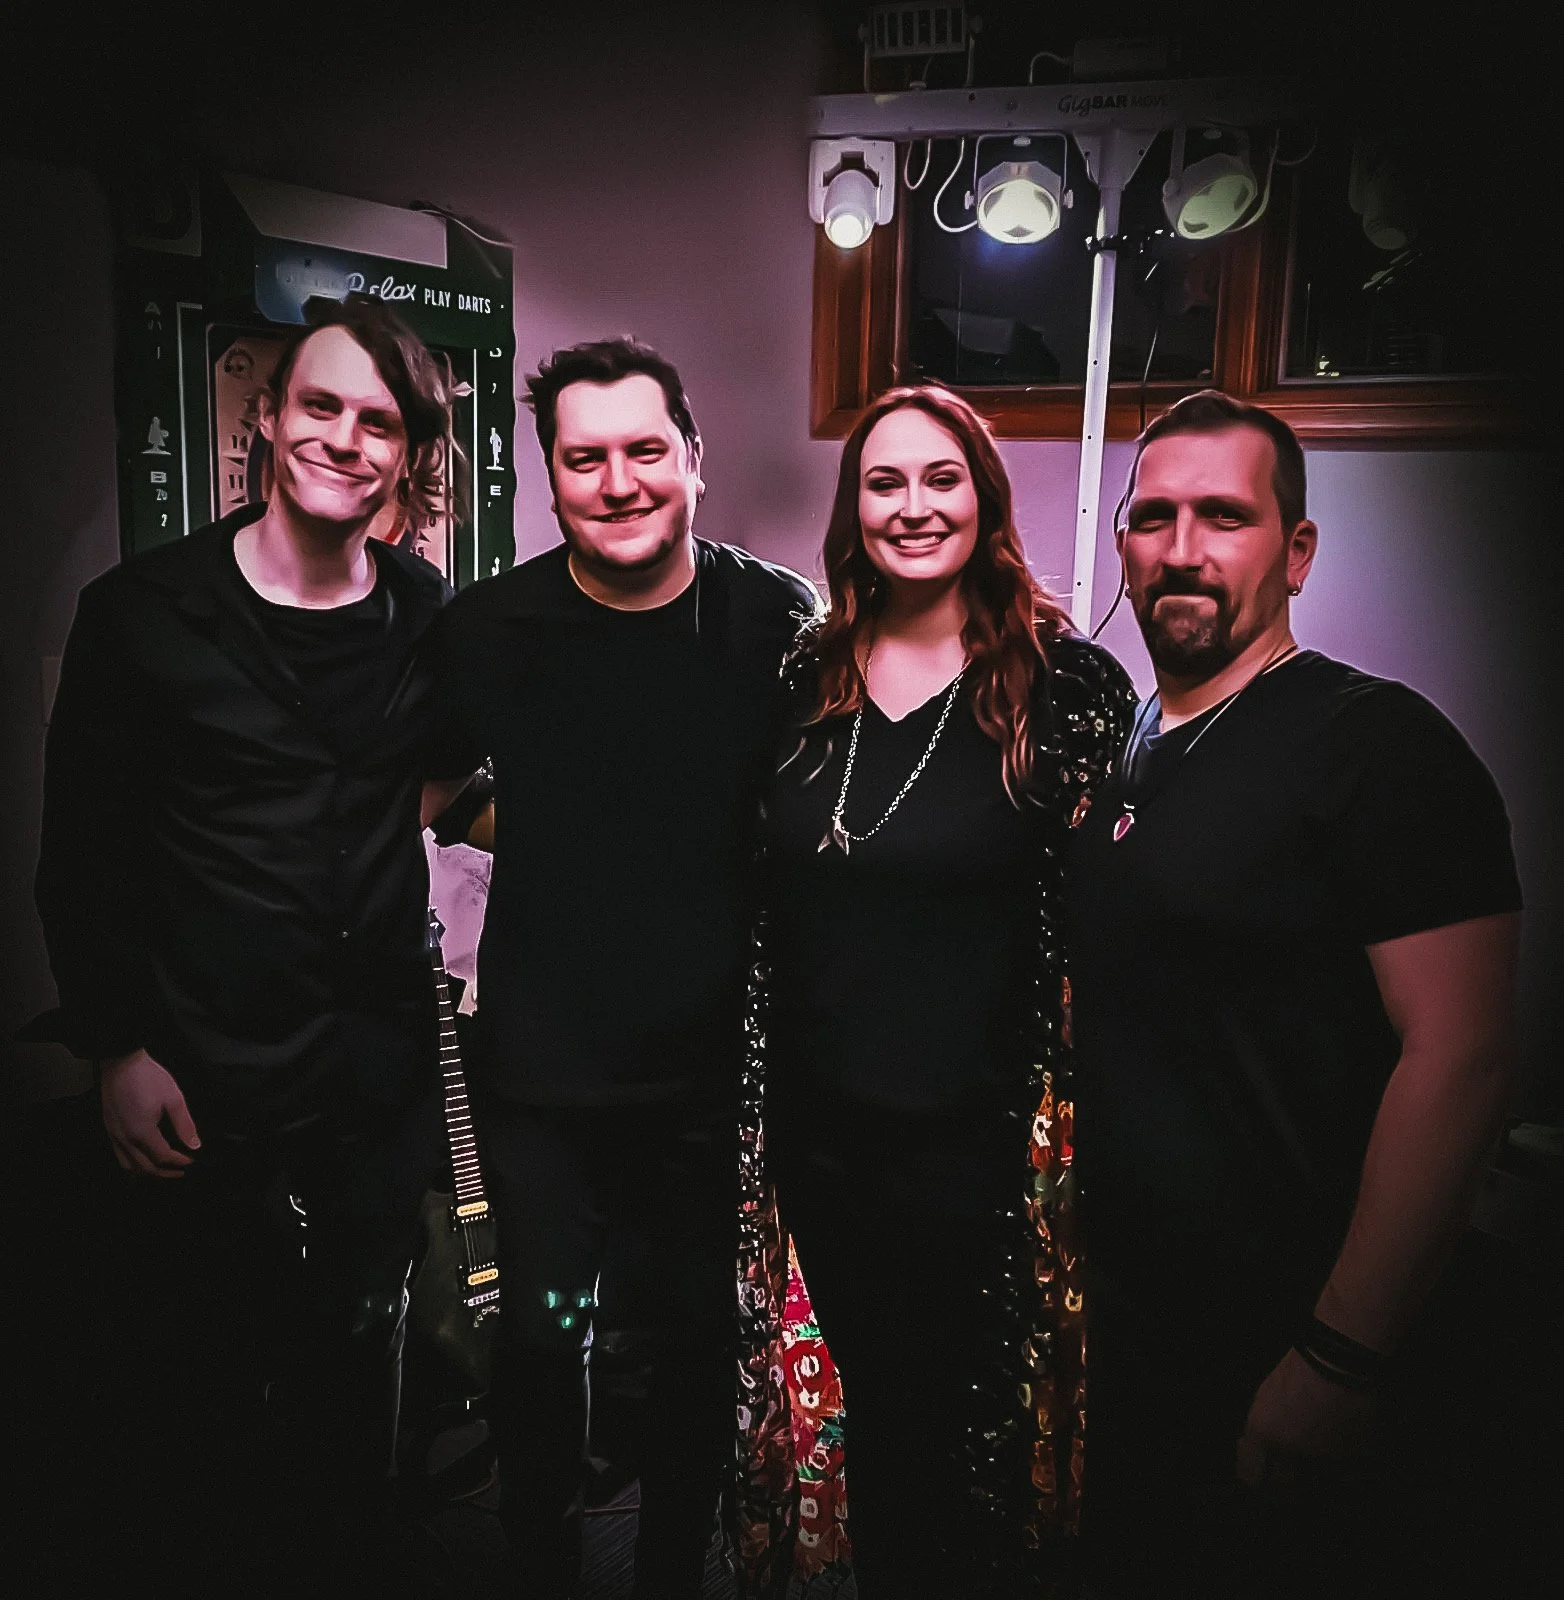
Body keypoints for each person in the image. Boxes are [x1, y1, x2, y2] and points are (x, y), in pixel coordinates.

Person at [1066, 390, 1524, 1595]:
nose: (1180, 548)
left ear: (1296, 551)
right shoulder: (1124, 756)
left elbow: (1464, 1056)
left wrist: (1339, 1354)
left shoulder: (1376, 748)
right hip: (1138, 1335)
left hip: (1291, 1332)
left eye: (1223, 515)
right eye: (1152, 516)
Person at [34, 294, 457, 1596]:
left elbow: (430, 786)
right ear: (265, 421)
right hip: (199, 1090)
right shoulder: (143, 614)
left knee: (355, 1433)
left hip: (369, 1095)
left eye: (377, 422)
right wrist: (116, 1047)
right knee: (193, 1431)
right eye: (320, 405)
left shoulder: (429, 617)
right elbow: (83, 855)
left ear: (406, 458)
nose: (344, 438)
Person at [420, 337, 816, 1599]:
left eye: (644, 450)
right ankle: (540, 1557)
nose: (618, 479)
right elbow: (426, 795)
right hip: (542, 1070)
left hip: (712, 1072)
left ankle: (668, 1574)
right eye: (583, 457)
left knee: (695, 1349)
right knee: (542, 1350)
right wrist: (538, 829)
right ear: (550, 479)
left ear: (694, 460)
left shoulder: (774, 618)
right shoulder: (489, 627)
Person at [752, 385, 1136, 1599]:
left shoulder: (1064, 689)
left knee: (958, 1466)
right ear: (851, 507)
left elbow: (1115, 928)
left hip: (981, 1158)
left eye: (939, 479)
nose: (911, 507)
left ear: (983, 497)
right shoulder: (797, 684)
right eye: (882, 482)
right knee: (837, 1450)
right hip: (814, 1150)